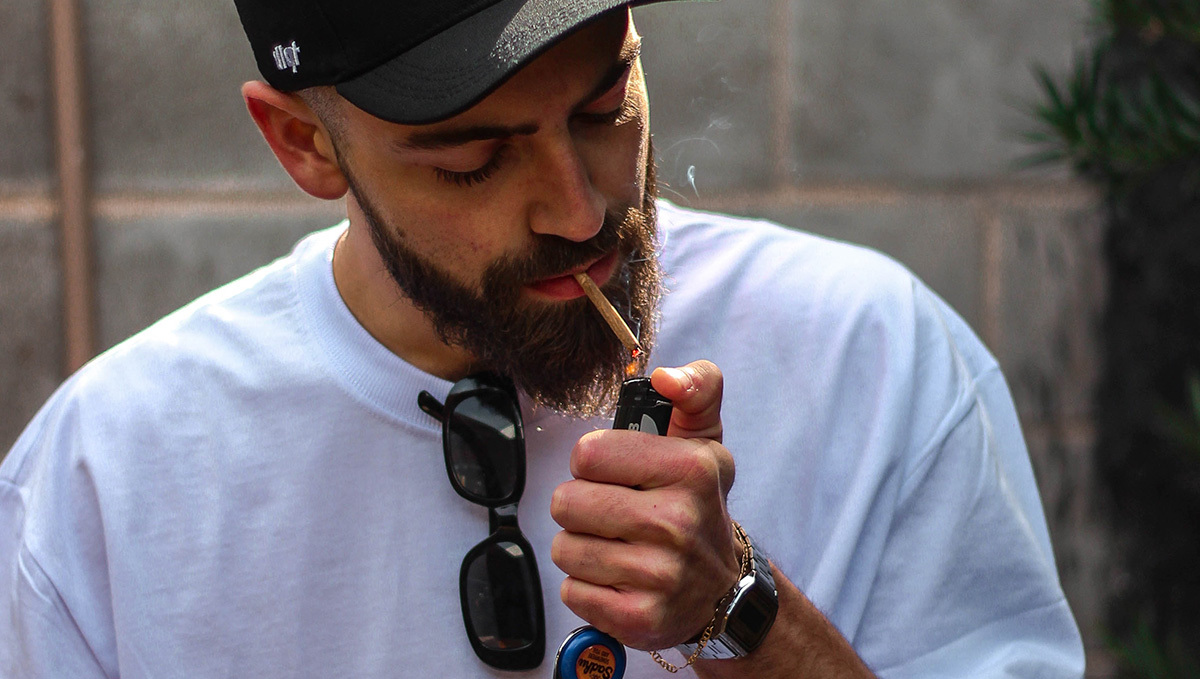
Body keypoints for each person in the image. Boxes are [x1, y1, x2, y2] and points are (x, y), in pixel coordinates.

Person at [0, 1, 1086, 677]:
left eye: (604, 103)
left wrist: (742, 612)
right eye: (472, 160)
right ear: (302, 142)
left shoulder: (874, 357)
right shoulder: (108, 479)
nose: (577, 208)